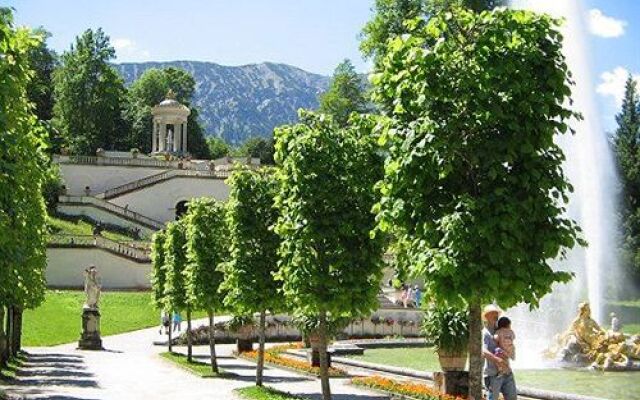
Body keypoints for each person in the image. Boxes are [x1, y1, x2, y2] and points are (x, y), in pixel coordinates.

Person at [482, 304, 517, 400]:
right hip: (493, 374)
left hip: (507, 372)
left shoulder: (501, 329)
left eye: (497, 313)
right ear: (487, 317)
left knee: (512, 397)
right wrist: (497, 360)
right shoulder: (485, 333)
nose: (496, 315)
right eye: (493, 313)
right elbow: (483, 351)